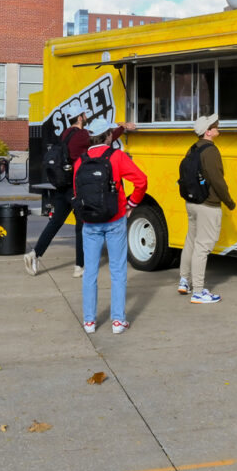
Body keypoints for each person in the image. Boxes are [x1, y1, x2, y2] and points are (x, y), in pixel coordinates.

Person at [25, 103, 135, 278]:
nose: (86, 116)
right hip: (76, 186)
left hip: (62, 186)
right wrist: (122, 127)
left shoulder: (66, 134)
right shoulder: (83, 135)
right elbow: (106, 137)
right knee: (81, 225)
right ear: (80, 117)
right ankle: (79, 266)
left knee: (55, 223)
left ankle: (35, 254)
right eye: (84, 114)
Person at [74, 117, 147, 334]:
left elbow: (78, 193)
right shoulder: (117, 156)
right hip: (115, 219)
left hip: (90, 223)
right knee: (117, 271)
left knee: (90, 273)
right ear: (108, 136)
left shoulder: (80, 160)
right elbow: (141, 181)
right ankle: (117, 321)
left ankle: (89, 321)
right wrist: (131, 203)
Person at [178, 114, 235, 304]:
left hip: (191, 203)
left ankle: (184, 281)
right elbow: (217, 180)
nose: (218, 126)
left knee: (191, 241)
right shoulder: (211, 151)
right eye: (214, 125)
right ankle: (199, 291)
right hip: (207, 204)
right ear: (208, 132)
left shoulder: (192, 149)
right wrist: (228, 201)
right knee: (203, 247)